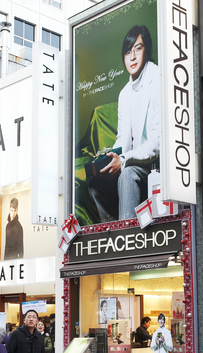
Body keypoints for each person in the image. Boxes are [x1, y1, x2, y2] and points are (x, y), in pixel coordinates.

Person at [88, 25, 160, 221]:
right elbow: (122, 141)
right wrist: (111, 160)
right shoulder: (125, 93)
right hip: (132, 163)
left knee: (127, 174)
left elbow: (157, 144)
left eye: (138, 48)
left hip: (154, 167)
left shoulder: (158, 79)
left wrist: (125, 160)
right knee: (96, 184)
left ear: (148, 50)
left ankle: (127, 238)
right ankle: (114, 231)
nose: (133, 57)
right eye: (128, 51)